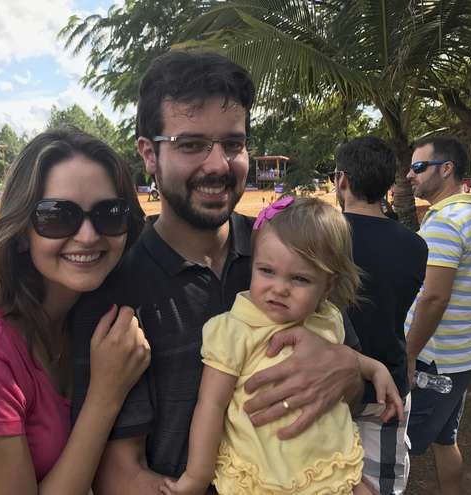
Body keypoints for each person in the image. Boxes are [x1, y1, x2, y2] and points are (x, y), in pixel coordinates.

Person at [70, 51, 365, 494]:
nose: (217, 165)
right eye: (190, 144)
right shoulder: (115, 293)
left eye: (233, 144)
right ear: (149, 154)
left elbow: (352, 391)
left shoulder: (292, 251)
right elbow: (118, 474)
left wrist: (348, 369)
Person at [0, 127, 151, 495]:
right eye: (57, 216)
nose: (87, 235)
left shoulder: (78, 325)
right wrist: (105, 396)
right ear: (20, 231)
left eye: (108, 213)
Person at [162, 197, 404, 495]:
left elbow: (344, 356)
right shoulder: (235, 330)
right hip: (262, 475)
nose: (279, 288)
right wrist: (197, 476)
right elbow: (211, 404)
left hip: (328, 466)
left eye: (299, 279)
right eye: (266, 271)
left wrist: (373, 367)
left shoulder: (326, 318)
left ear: (327, 286)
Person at [335, 137, 428, 494]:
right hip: (385, 385)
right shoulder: (415, 246)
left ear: (342, 179)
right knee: (380, 485)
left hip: (326, 381)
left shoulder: (322, 239)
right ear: (390, 184)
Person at [405, 135, 471, 495]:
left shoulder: (446, 222)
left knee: (397, 447)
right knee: (445, 440)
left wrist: (408, 354)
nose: (409, 174)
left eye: (418, 167)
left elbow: (434, 298)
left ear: (447, 169)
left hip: (436, 363)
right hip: (462, 357)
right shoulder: (469, 212)